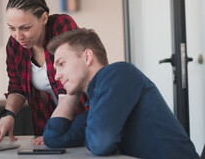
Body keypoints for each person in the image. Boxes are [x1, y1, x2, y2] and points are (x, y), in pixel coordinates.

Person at [43, 28, 199, 158]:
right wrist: (72, 92)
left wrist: (73, 83)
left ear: (87, 57)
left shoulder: (118, 73)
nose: (57, 76)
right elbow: (54, 138)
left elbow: (100, 143)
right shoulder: (99, 99)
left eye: (62, 64)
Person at [0, 0, 88, 145]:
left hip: (81, 117)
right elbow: (17, 86)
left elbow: (68, 83)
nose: (18, 36)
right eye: (12, 28)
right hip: (45, 124)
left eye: (25, 28)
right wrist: (8, 114)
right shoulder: (14, 45)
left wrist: (55, 129)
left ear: (44, 18)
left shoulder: (61, 26)